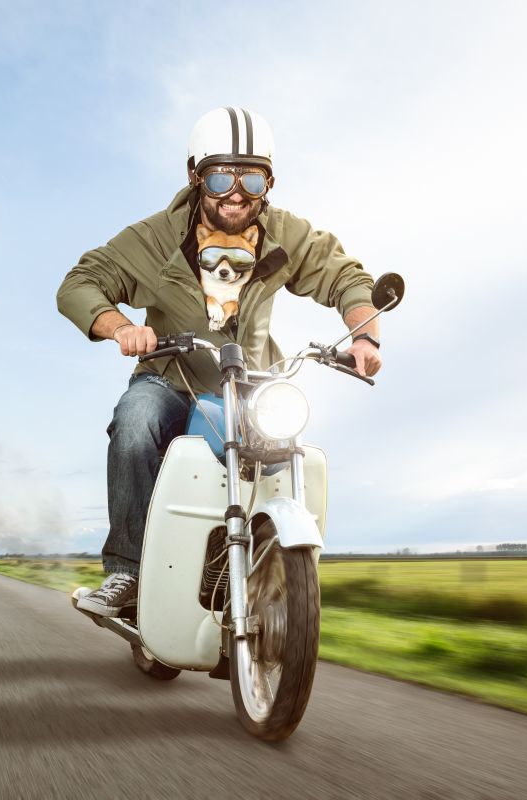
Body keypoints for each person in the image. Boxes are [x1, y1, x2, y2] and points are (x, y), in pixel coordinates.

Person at [57, 107, 382, 616]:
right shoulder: (154, 239)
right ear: (195, 175)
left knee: (287, 451)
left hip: (251, 384)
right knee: (135, 421)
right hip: (170, 378)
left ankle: (271, 574)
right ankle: (128, 573)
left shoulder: (285, 233)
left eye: (251, 178)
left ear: (268, 182)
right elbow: (81, 283)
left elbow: (346, 276)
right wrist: (121, 327)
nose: (236, 193)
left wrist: (365, 338)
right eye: (220, 177)